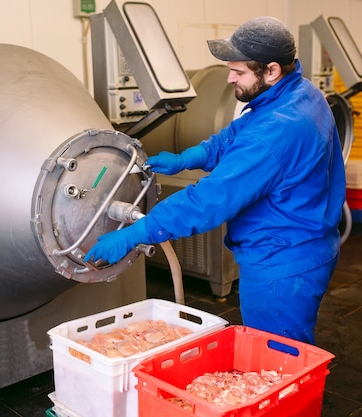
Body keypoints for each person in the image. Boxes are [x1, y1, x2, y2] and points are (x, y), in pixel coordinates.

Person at [85, 16, 346, 345]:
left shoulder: (279, 131)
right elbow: (234, 136)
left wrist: (136, 232)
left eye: (238, 72)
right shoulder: (298, 93)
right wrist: (187, 159)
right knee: (281, 352)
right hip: (303, 242)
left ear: (272, 70)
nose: (229, 78)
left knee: (278, 359)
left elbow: (208, 202)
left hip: (281, 261)